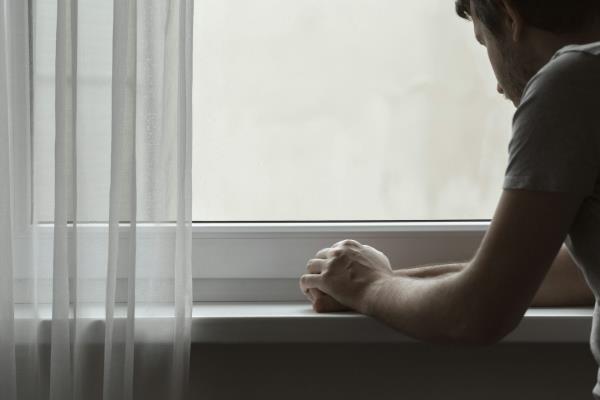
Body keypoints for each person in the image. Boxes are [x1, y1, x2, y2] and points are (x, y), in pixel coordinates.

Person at [300, 0, 600, 396]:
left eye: (483, 42)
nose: (496, 84)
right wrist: (388, 281)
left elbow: (475, 314)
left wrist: (368, 287)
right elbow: (574, 273)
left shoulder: (573, 81)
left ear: (511, 17)